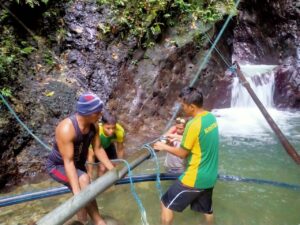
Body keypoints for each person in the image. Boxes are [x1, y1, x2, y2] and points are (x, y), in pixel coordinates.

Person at [46, 92, 114, 225]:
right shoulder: (66, 129)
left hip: (78, 164)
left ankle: (82, 221)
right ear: (89, 113)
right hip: (58, 166)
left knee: (83, 188)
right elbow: (68, 162)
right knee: (83, 181)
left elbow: (98, 149)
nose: (101, 115)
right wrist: (78, 194)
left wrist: (112, 169)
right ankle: (99, 221)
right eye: (98, 112)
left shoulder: (93, 126)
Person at [154, 87, 219, 225]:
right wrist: (177, 138)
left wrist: (163, 146)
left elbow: (182, 154)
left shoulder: (192, 124)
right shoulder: (211, 117)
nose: (182, 108)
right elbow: (199, 142)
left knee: (165, 203)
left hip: (195, 177)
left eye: (183, 105)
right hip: (211, 175)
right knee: (206, 210)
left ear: (192, 106)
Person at [87, 111, 125, 178]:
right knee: (102, 168)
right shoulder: (97, 131)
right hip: (95, 148)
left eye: (113, 128)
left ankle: (113, 185)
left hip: (109, 146)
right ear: (102, 124)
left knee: (114, 166)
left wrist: (120, 164)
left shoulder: (120, 131)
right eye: (108, 128)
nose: (111, 131)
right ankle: (99, 184)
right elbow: (91, 154)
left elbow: (120, 149)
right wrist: (90, 174)